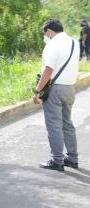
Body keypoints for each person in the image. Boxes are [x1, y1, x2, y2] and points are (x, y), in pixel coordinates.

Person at [33, 19, 80, 171]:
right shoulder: (74, 42)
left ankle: (57, 160)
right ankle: (72, 158)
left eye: (44, 33)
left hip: (55, 90)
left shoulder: (52, 45)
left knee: (54, 125)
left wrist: (37, 90)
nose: (44, 36)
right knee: (67, 123)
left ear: (49, 31)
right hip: (70, 88)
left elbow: (48, 70)